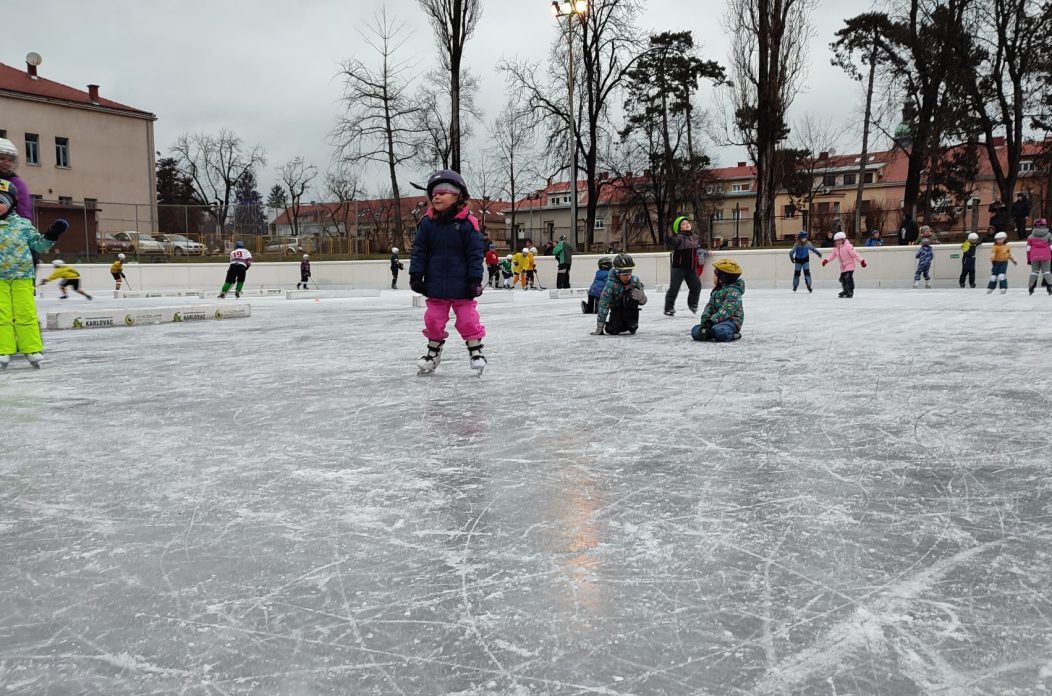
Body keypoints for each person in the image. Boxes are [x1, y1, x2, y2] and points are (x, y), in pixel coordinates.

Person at [409, 169, 487, 375]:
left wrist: (474, 280)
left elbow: (475, 254)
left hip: (462, 285)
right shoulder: (427, 223)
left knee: (468, 319)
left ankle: (475, 351)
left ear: (457, 196)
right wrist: (416, 275)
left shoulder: (467, 223)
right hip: (435, 284)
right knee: (433, 320)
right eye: (434, 194)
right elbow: (419, 251)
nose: (436, 197)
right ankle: (433, 354)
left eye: (442, 193)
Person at [0, 181, 66, 369]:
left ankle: (31, 349)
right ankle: (3, 350)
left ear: (12, 203)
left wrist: (52, 234)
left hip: (22, 276)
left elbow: (39, 245)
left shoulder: (22, 225)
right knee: (1, 314)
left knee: (25, 312)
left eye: (1, 201)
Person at [591, 253, 647, 336]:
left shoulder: (635, 281)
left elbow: (643, 302)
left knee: (631, 294)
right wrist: (600, 327)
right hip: (617, 309)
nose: (627, 277)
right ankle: (612, 326)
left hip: (631, 310)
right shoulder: (610, 285)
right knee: (614, 329)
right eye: (624, 274)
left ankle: (631, 323)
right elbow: (603, 305)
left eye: (629, 273)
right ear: (617, 272)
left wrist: (642, 298)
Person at [691, 259, 745, 342]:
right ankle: (710, 333)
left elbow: (727, 309)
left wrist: (712, 320)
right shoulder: (717, 291)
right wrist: (705, 320)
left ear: (722, 278)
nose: (713, 277)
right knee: (696, 330)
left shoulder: (733, 292)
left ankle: (732, 335)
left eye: (715, 275)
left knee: (719, 331)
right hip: (714, 322)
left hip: (730, 322)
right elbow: (709, 306)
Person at [663, 216, 701, 316]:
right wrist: (668, 238)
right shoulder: (680, 237)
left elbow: (697, 249)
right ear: (679, 228)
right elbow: (674, 241)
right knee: (674, 288)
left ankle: (693, 304)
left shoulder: (695, 237)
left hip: (691, 268)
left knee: (696, 286)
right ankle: (669, 307)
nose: (687, 225)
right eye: (683, 224)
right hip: (679, 268)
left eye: (687, 223)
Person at [821, 231, 867, 298]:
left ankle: (850, 290)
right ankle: (846, 290)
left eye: (839, 240)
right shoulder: (836, 248)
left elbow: (855, 255)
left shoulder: (848, 246)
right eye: (836, 241)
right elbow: (832, 256)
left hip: (850, 265)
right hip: (843, 267)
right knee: (842, 279)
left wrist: (862, 261)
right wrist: (826, 260)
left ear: (843, 240)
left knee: (847, 277)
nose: (838, 242)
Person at [1025, 218, 1052, 295]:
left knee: (1034, 272)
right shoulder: (1049, 235)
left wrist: (1028, 259)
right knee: (1046, 272)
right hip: (1046, 255)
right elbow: (1051, 247)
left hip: (1034, 256)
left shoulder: (1030, 236)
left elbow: (1028, 249)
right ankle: (1050, 288)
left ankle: (1031, 288)